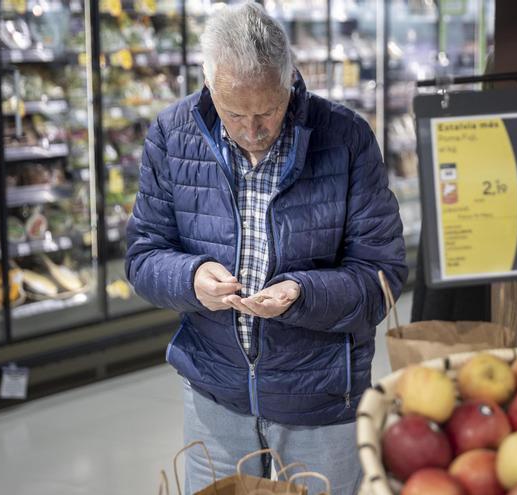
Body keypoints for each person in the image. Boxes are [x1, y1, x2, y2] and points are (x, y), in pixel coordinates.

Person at [125, 3, 407, 494]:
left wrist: (303, 293)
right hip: (214, 396)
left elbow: (382, 277)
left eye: (268, 111)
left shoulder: (346, 138)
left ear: (290, 81)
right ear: (209, 84)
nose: (253, 130)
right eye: (236, 114)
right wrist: (190, 279)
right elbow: (143, 255)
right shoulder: (172, 136)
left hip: (323, 401)